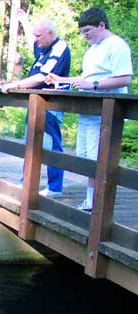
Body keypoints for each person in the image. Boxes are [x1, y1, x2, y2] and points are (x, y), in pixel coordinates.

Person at [45, 7, 133, 211]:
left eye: (88, 31)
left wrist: (93, 86)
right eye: (82, 32)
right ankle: (90, 200)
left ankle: (97, 203)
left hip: (106, 111)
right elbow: (87, 79)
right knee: (85, 157)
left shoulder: (117, 46)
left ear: (102, 25)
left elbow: (124, 78)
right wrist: (61, 80)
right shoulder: (92, 49)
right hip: (88, 110)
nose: (85, 36)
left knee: (98, 157)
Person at [1, 17, 71, 198]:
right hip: (35, 102)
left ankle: (55, 187)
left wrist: (16, 84)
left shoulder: (60, 48)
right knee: (30, 143)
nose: (36, 39)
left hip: (51, 104)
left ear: (51, 33)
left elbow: (43, 75)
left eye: (39, 36)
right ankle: (27, 183)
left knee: (51, 144)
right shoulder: (41, 48)